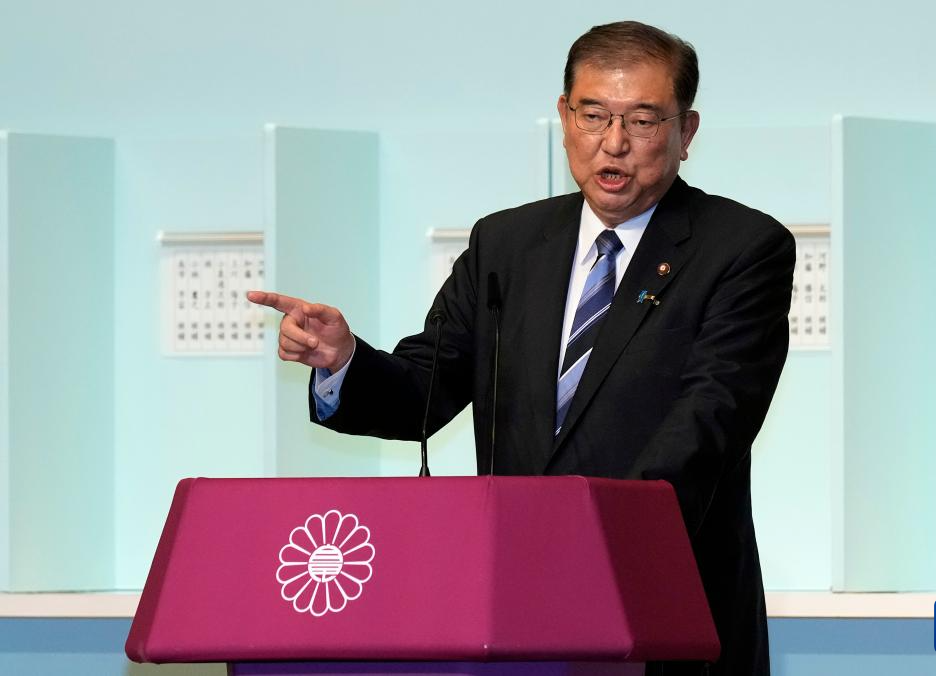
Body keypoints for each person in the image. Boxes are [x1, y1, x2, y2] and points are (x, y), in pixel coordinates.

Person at [249, 20, 794, 676]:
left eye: (643, 120)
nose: (614, 143)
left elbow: (711, 420)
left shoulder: (741, 248)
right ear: (564, 117)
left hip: (664, 602)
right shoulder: (506, 245)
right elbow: (427, 388)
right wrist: (343, 361)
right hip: (512, 606)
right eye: (593, 115)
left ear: (687, 132)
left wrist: (596, 539)